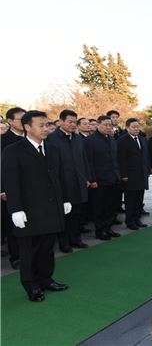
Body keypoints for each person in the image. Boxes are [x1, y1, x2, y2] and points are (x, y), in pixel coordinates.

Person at [4, 110, 71, 302]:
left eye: (47, 124)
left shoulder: (52, 149)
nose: (46, 128)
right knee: (29, 251)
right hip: (29, 211)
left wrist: (64, 199)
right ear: (27, 127)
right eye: (41, 125)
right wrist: (15, 209)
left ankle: (46, 279)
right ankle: (31, 285)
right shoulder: (14, 151)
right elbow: (11, 182)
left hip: (51, 209)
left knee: (47, 248)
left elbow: (59, 177)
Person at [46, 109, 91, 252]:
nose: (73, 125)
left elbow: (84, 160)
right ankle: (64, 243)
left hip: (78, 182)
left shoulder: (78, 138)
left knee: (77, 213)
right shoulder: (51, 139)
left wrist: (87, 178)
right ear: (61, 122)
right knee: (65, 214)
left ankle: (76, 239)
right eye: (70, 122)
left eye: (74, 122)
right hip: (62, 183)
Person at [84, 115, 121, 240]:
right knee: (99, 207)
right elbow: (88, 161)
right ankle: (100, 231)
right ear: (98, 125)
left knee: (111, 206)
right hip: (99, 180)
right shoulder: (90, 140)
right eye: (105, 125)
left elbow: (115, 159)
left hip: (113, 178)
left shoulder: (111, 139)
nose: (108, 127)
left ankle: (108, 228)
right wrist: (92, 179)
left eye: (110, 125)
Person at [1, 107, 26, 269]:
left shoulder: (32, 139)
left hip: (30, 189)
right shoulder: (3, 140)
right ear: (10, 121)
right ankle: (15, 256)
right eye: (20, 119)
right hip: (9, 190)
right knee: (13, 224)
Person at [117, 118, 150, 230]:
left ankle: (137, 219)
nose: (136, 129)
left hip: (141, 174)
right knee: (130, 200)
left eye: (137, 126)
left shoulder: (142, 139)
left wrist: (148, 169)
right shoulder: (122, 140)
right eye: (134, 127)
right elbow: (121, 159)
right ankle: (130, 221)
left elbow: (146, 156)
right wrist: (124, 175)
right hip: (130, 175)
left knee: (139, 199)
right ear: (127, 128)